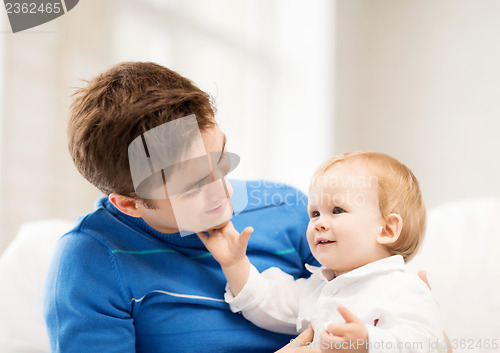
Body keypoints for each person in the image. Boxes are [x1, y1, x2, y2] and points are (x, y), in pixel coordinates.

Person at [42, 61, 319, 352]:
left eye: (221, 158)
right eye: (193, 187)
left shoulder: (287, 206)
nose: (224, 191)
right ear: (129, 204)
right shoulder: (90, 265)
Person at [198, 151, 446, 352]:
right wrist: (234, 264)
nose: (319, 223)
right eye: (315, 213)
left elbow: (429, 343)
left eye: (337, 210)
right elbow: (266, 303)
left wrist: (368, 342)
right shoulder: (318, 287)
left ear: (387, 229)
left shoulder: (402, 287)